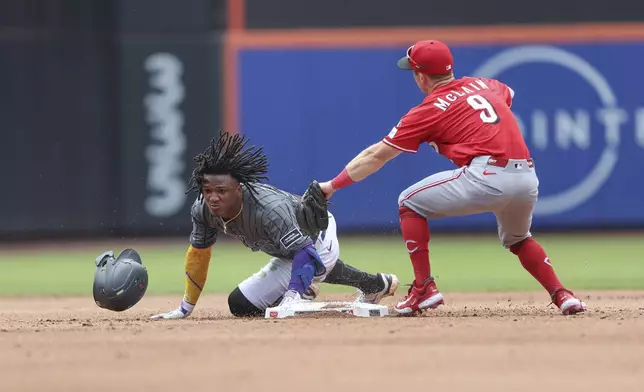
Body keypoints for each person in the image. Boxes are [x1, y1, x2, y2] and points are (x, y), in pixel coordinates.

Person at [317, 40, 586, 316]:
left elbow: (375, 156)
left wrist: (332, 185)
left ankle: (424, 289)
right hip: (527, 177)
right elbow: (508, 95)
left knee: (409, 202)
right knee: (518, 239)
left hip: (487, 175)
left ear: (421, 76)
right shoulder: (488, 85)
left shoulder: (428, 110)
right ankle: (562, 295)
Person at [151, 132, 398, 319]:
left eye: (221, 191)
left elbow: (306, 253)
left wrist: (292, 298)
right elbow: (198, 256)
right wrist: (186, 307)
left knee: (309, 271)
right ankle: (375, 284)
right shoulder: (203, 210)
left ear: (239, 189)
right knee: (240, 305)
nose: (213, 197)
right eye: (207, 191)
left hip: (316, 239)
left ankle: (304, 289)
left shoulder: (268, 209)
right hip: (288, 251)